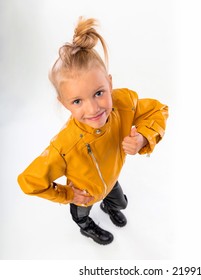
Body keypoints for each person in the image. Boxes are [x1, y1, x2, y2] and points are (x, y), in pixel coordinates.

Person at [17, 17, 168, 245]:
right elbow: (29, 181)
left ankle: (110, 205)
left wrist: (144, 137)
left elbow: (159, 109)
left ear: (109, 83)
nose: (94, 108)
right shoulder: (64, 147)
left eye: (99, 93)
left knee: (122, 203)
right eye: (77, 101)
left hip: (111, 180)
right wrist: (68, 195)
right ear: (64, 103)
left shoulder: (123, 102)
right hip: (84, 194)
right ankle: (86, 227)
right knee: (81, 215)